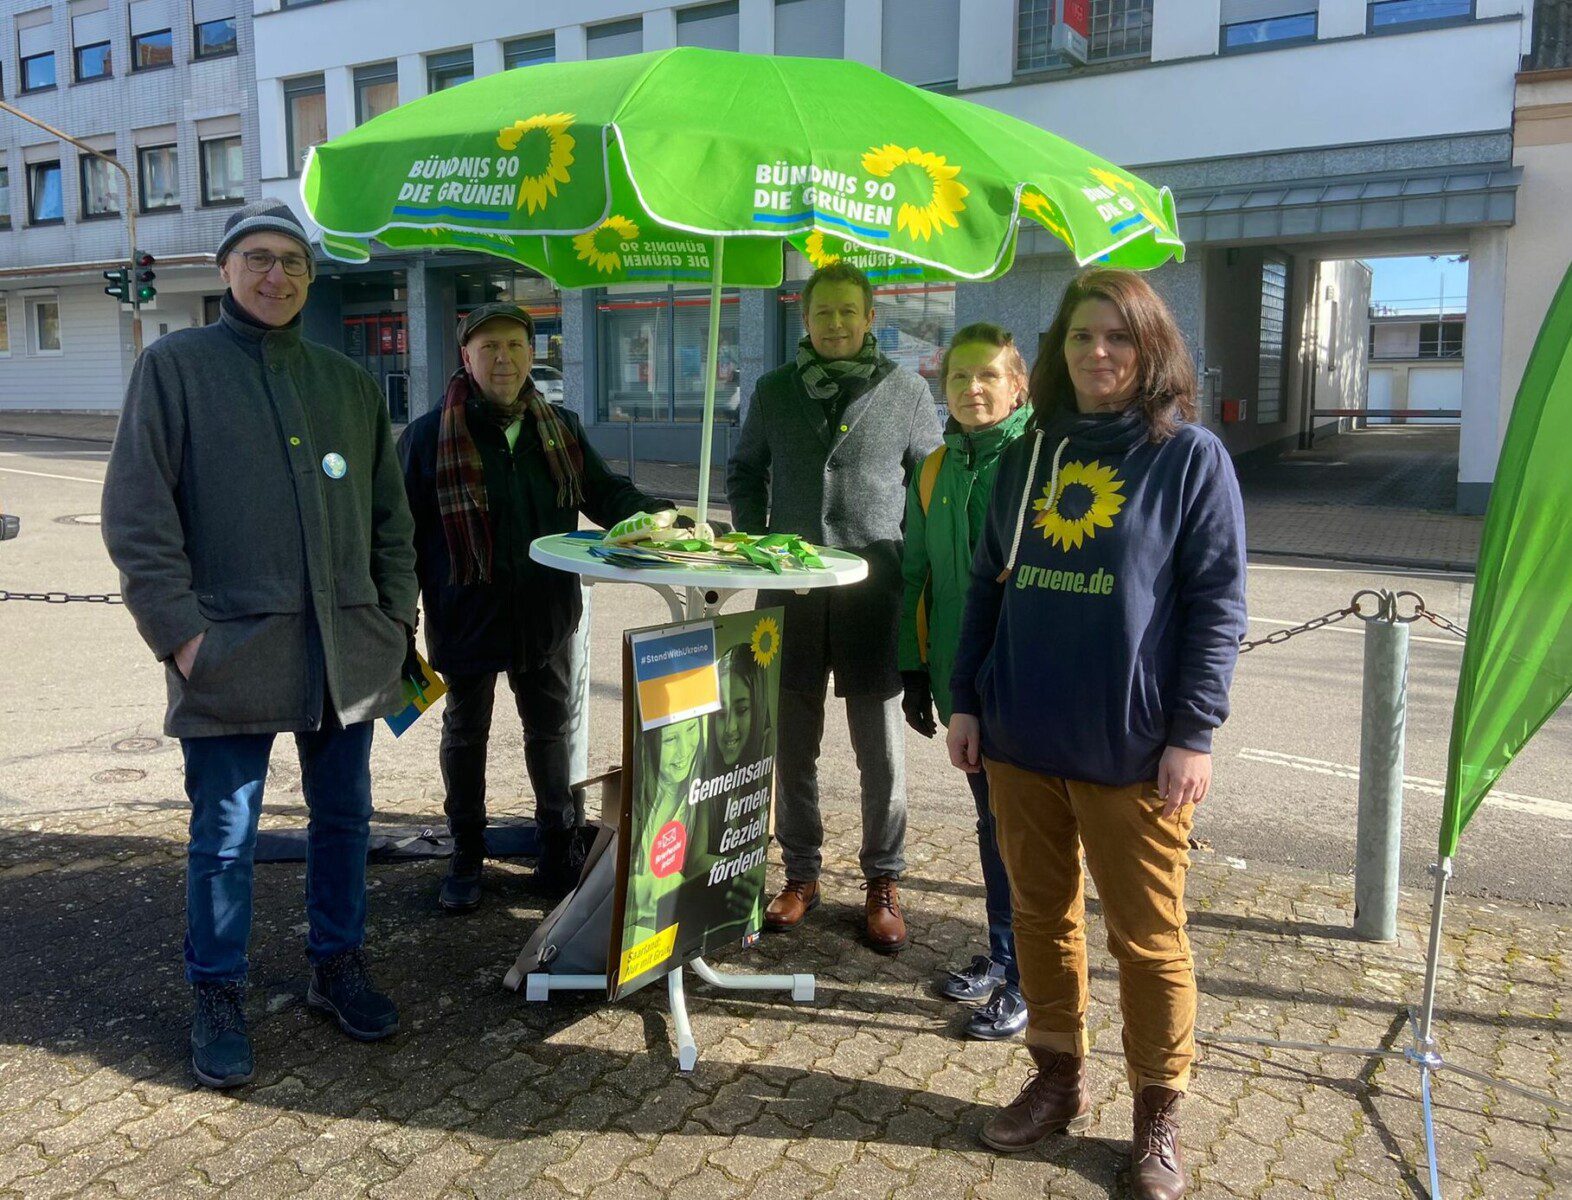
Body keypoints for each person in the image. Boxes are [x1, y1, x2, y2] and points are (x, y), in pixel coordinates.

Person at [102, 200, 418, 1089]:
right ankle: (217, 993)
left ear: (310, 278)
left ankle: (336, 963)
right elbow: (137, 514)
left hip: (347, 648)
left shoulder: (348, 383)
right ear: (226, 270)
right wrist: (180, 637)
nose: (276, 275)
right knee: (225, 833)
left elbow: (392, 521)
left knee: (345, 817)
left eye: (293, 261)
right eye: (258, 259)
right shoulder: (174, 368)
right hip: (230, 650)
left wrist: (396, 619)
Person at [946, 269, 1247, 1199]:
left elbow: (1218, 606)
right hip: (1021, 737)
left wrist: (1194, 732)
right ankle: (1057, 1077)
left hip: (1134, 749)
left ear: (1151, 348)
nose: (1098, 352)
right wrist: (966, 700)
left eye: (1118, 336)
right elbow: (986, 587)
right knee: (1040, 919)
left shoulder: (1189, 459)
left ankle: (1158, 1112)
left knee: (1148, 939)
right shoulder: (1028, 457)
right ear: (1057, 351)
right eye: (1081, 336)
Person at [398, 302, 671, 912]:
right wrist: (401, 619)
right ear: (466, 357)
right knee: (465, 733)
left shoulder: (559, 427)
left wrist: (656, 515)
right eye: (489, 347)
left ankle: (556, 844)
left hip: (545, 613)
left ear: (532, 353)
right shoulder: (427, 436)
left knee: (550, 732)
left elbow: (604, 492)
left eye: (516, 346)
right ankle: (466, 851)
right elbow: (401, 536)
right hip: (464, 614)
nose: (504, 359)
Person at [727, 262, 942, 952]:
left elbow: (930, 485)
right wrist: (757, 539)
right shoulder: (773, 390)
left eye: (849, 311)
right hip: (788, 598)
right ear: (806, 318)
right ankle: (801, 874)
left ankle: (883, 879)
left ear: (871, 317)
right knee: (792, 747)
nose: (837, 323)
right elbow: (745, 469)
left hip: (874, 599)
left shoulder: (907, 391)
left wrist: (912, 563)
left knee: (880, 752)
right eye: (824, 312)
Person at [897, 323, 1032, 1041]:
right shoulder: (935, 468)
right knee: (991, 825)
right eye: (958, 377)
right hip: (962, 683)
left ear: (1018, 385)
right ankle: (1006, 954)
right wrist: (914, 667)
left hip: (1028, 683)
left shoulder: (1040, 461)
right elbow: (916, 573)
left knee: (1027, 835)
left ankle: (1031, 978)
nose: (972, 389)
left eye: (988, 375)